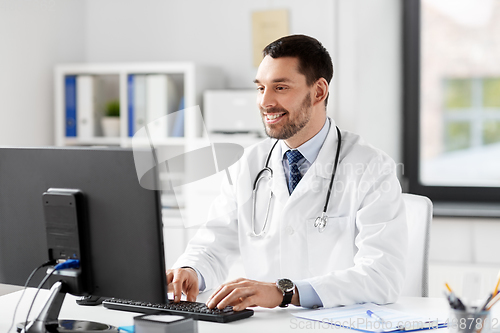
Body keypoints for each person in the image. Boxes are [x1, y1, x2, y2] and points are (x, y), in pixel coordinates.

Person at [167, 34, 407, 311]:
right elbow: (213, 244)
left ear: (318, 92)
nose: (265, 102)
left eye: (280, 87)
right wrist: (190, 269)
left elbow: (382, 276)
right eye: (260, 88)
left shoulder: (371, 167)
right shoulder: (248, 163)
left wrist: (286, 293)